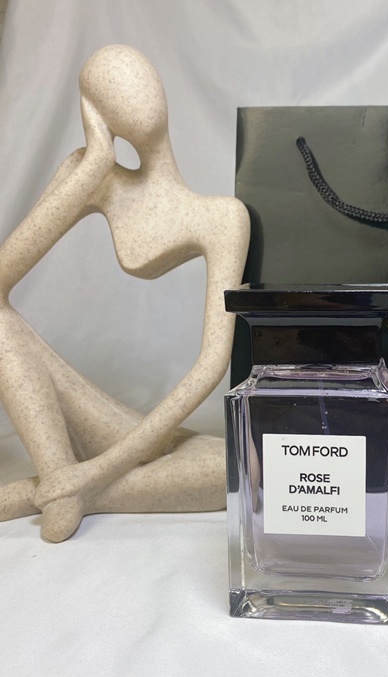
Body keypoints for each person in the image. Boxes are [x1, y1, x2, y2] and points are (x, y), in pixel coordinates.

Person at [0, 45, 250, 541]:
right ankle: (59, 474)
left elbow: (212, 365)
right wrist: (95, 161)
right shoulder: (92, 177)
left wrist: (96, 472)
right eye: (111, 90)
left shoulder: (223, 217)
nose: (133, 97)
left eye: (139, 79)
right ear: (95, 110)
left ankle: (62, 491)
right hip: (97, 420)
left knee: (236, 466)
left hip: (143, 435)